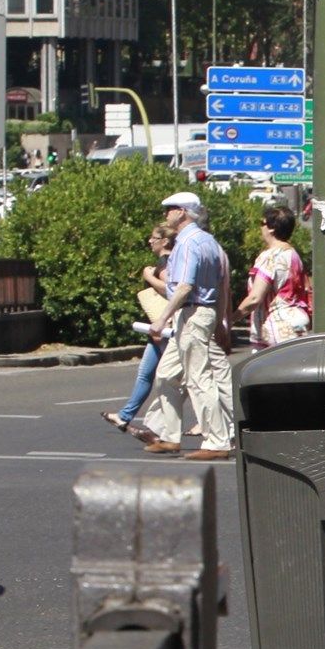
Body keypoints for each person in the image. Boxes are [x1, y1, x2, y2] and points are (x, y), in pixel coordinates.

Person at [128, 192, 233, 460]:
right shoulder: (209, 242)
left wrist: (162, 319)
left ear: (183, 212)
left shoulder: (187, 243)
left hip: (193, 313)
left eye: (171, 209)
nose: (166, 214)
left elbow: (185, 286)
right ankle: (169, 435)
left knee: (199, 379)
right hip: (200, 314)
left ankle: (217, 441)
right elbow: (221, 287)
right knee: (165, 375)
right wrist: (220, 321)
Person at [102, 222, 175, 432]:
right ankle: (125, 416)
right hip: (157, 328)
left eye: (154, 237)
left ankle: (194, 426)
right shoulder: (165, 261)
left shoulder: (164, 263)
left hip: (164, 326)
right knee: (146, 373)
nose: (150, 241)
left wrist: (149, 278)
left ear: (165, 241)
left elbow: (172, 289)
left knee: (176, 379)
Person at [234, 204, 312, 346]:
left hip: (277, 326)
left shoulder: (270, 257)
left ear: (271, 228)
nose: (261, 227)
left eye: (262, 223)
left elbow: (255, 298)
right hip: (298, 321)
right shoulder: (294, 255)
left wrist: (231, 319)